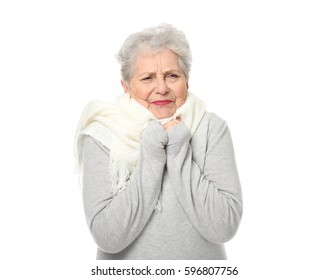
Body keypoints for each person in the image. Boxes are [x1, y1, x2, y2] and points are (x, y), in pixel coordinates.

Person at [75, 23, 243, 260]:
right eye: (147, 78)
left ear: (187, 81)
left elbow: (224, 226)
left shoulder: (212, 128)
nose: (161, 88)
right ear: (126, 86)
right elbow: (107, 237)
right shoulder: (103, 133)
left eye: (172, 76)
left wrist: (177, 150)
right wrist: (153, 151)